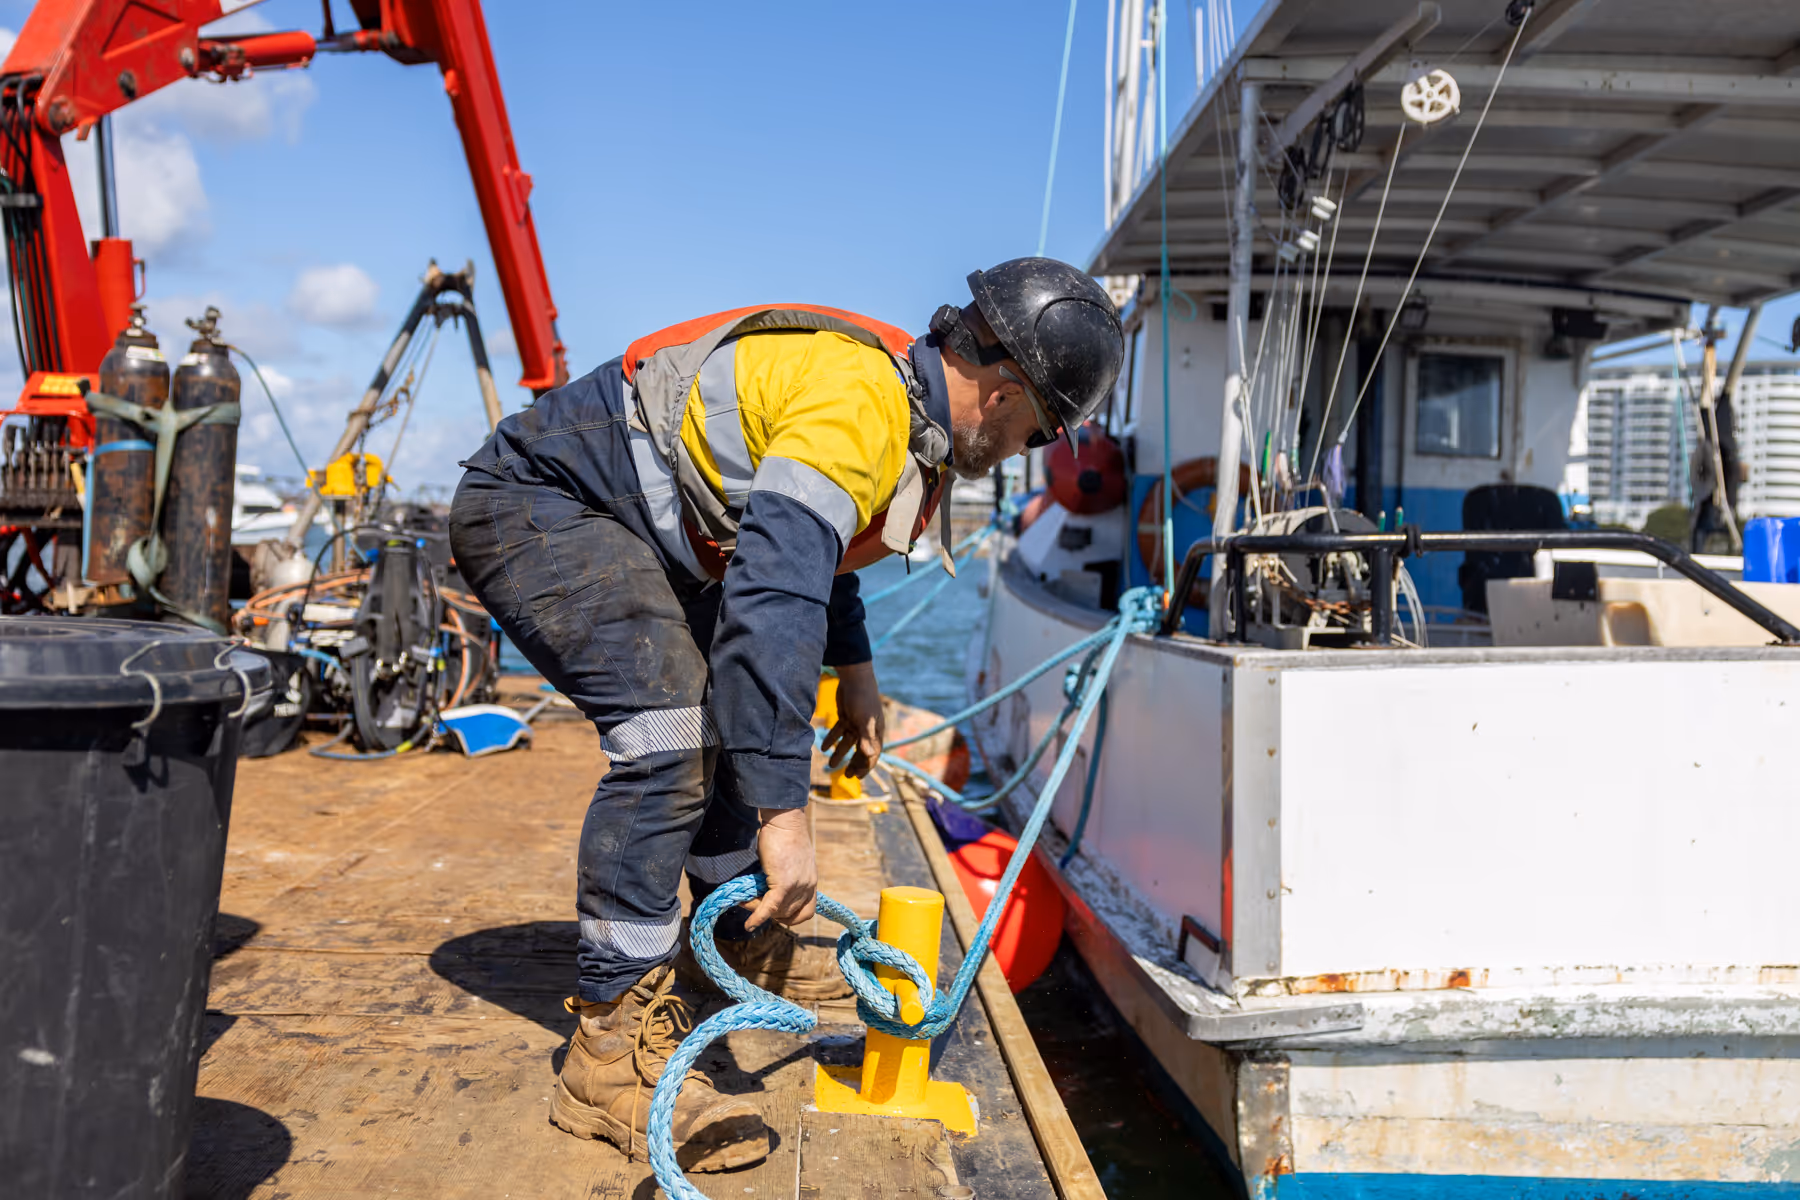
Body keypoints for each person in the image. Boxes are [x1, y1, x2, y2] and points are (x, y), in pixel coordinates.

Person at [448, 257, 1122, 1168]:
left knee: (721, 717)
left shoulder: (896, 410)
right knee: (671, 737)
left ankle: (733, 951)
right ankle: (605, 1049)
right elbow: (772, 588)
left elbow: (811, 555)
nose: (1018, 454)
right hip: (543, 506)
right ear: (1005, 393)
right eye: (1037, 434)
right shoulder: (863, 404)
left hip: (639, 535)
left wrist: (859, 673)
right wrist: (785, 814)